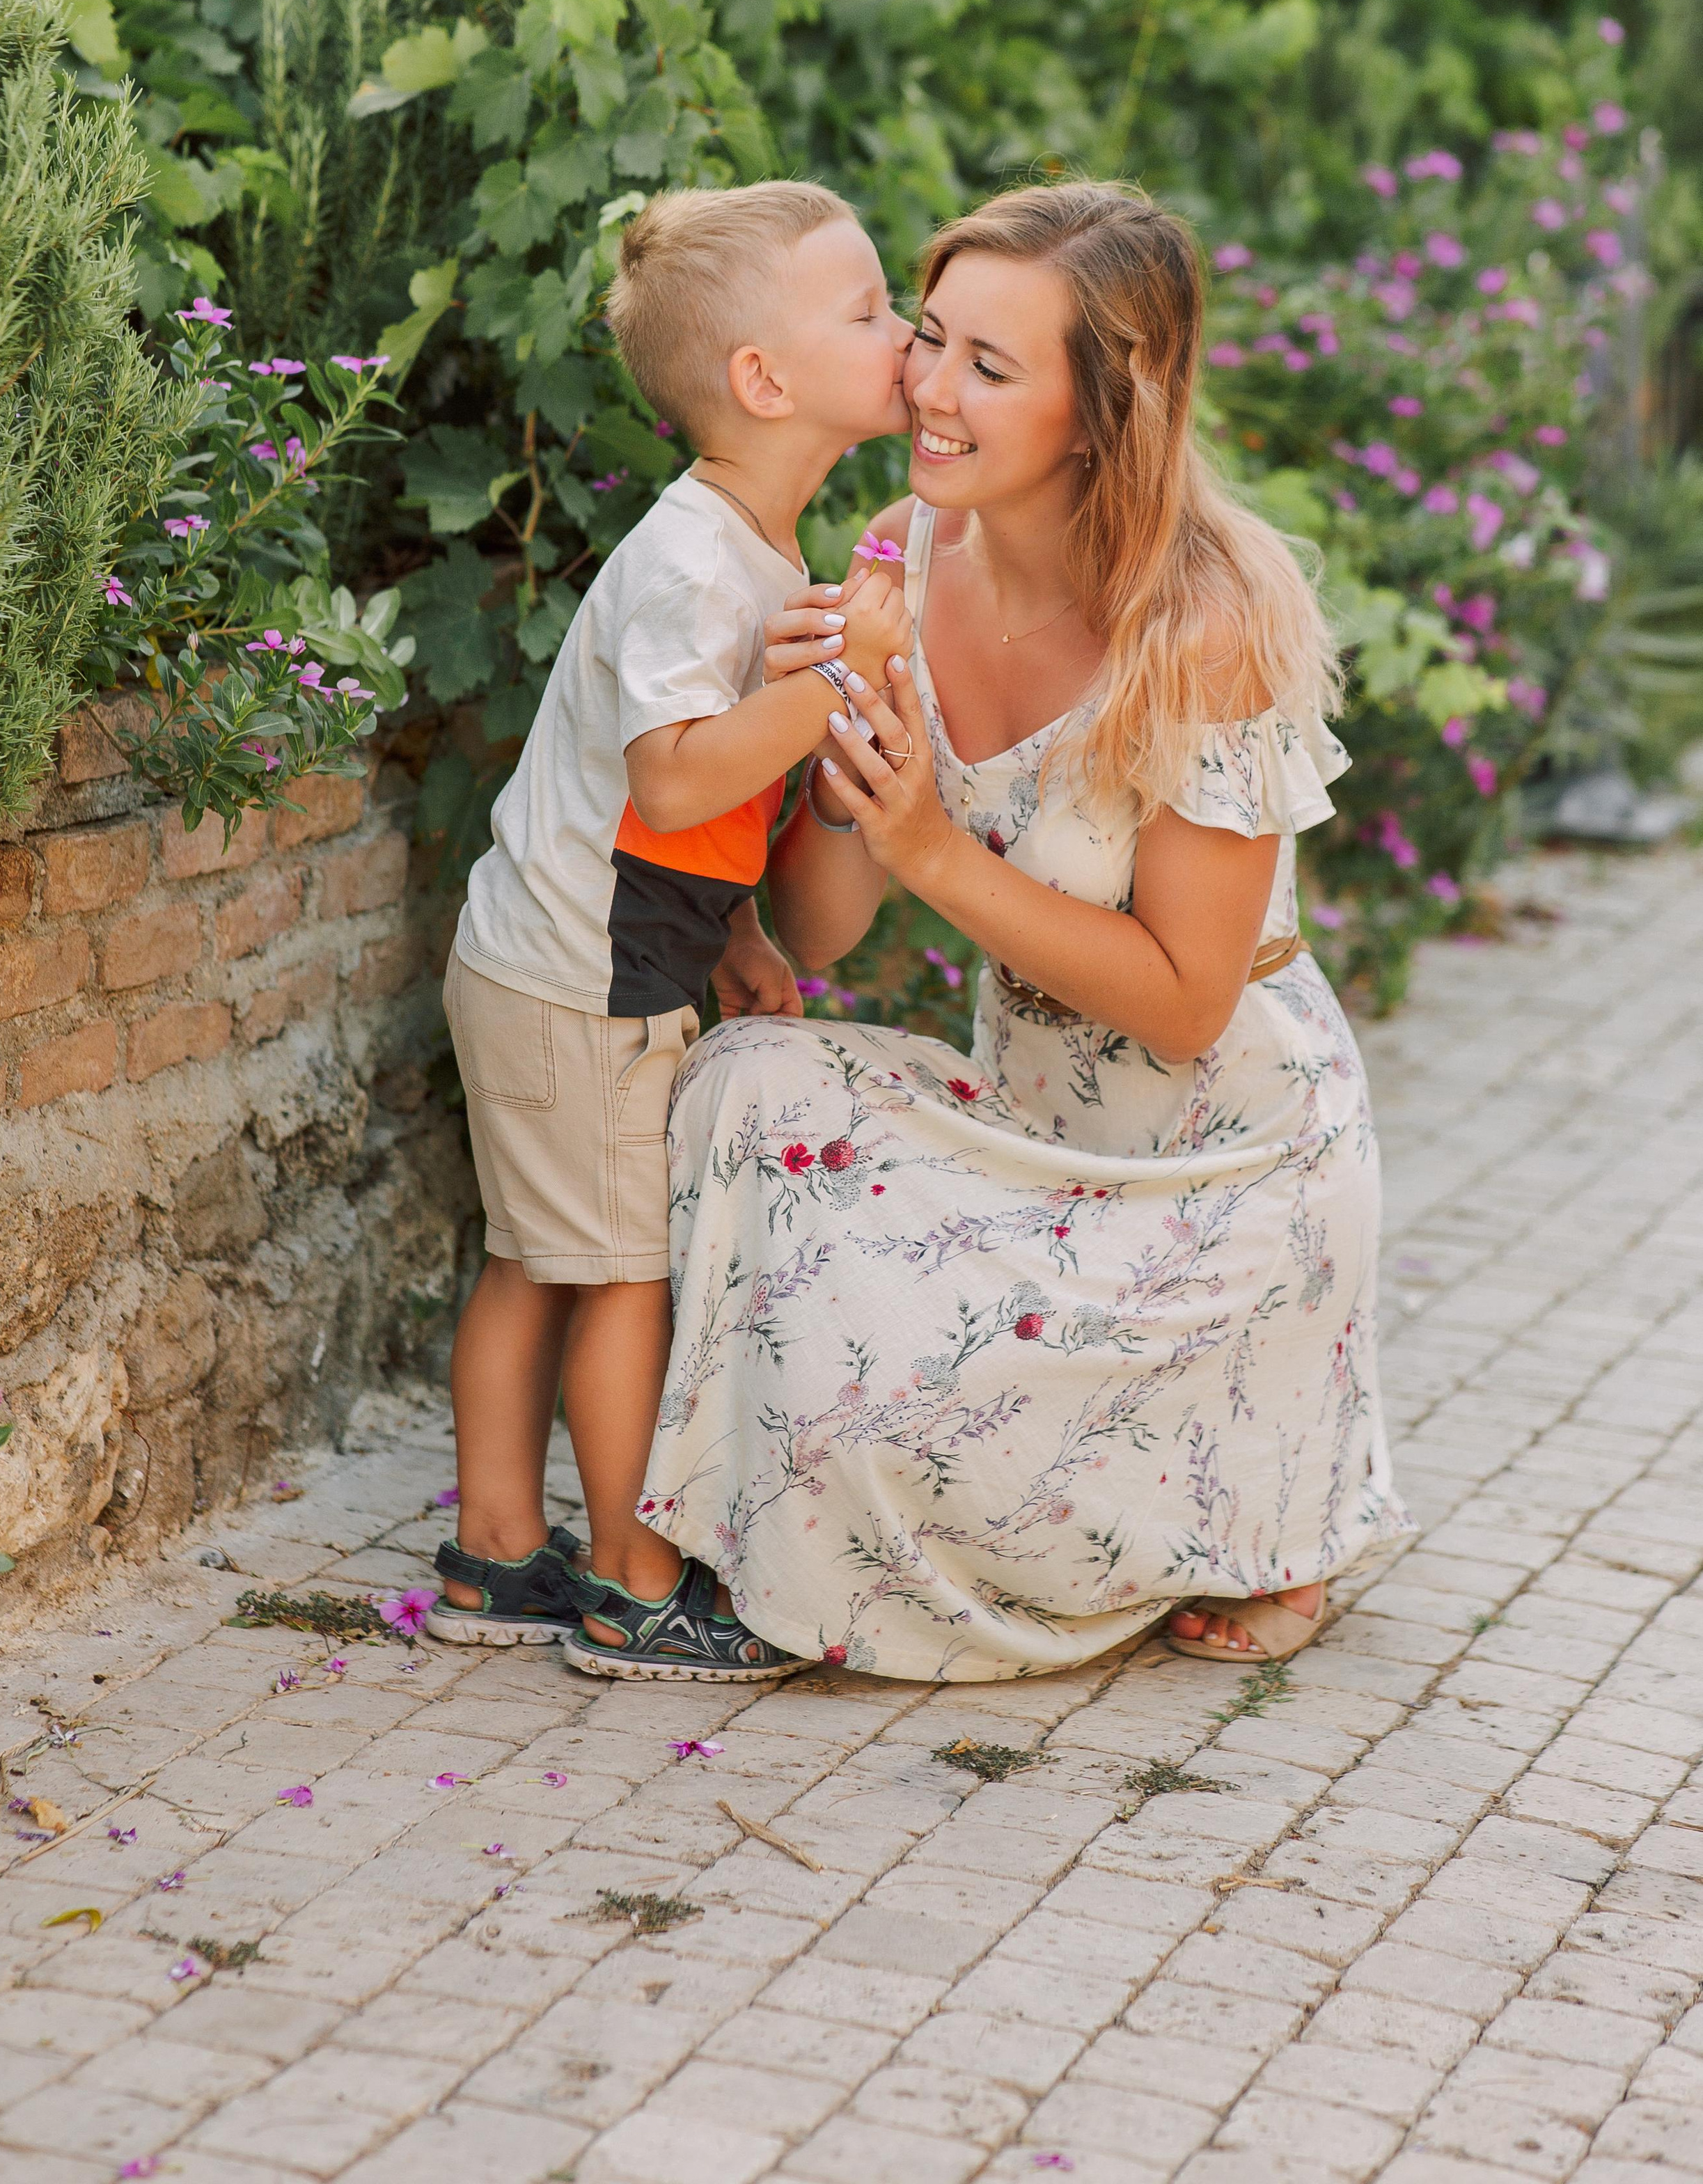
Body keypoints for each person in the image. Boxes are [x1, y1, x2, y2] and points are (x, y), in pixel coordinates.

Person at [641, 180, 1413, 1681]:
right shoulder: (899, 555)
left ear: (1099, 410)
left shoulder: (1204, 620)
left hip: (1227, 1175)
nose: (925, 388)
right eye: (926, 340)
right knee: (746, 1080)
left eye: (987, 367)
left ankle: (1253, 1500)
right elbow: (822, 936)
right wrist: (839, 754)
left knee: (933, 1410)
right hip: (1026, 1131)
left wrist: (930, 840)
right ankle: (968, 1515)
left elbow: (1188, 1002)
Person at [431, 179, 913, 1681]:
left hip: (578, 961)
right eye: (868, 311)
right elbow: (674, 770)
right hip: (574, 985)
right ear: (763, 382)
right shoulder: (690, 562)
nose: (902, 335)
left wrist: (730, 942)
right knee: (614, 1271)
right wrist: (847, 683)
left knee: (542, 1261)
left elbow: (675, 818)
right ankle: (633, 1585)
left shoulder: (750, 554)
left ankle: (499, 1555)